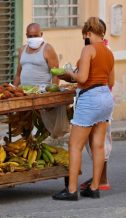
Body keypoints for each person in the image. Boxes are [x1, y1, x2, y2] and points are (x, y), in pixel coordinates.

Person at [52, 17, 114, 201]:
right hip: (105, 97)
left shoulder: (89, 49)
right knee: (98, 145)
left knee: (75, 145)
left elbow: (82, 78)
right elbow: (110, 82)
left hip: (90, 99)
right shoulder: (109, 52)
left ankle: (71, 190)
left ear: (88, 33)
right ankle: (94, 187)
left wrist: (69, 73)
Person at [13, 23, 59, 87]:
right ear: (26, 35)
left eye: (36, 36)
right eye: (30, 36)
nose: (33, 38)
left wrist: (54, 93)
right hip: (24, 92)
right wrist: (13, 89)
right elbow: (18, 74)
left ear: (41, 34)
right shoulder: (22, 50)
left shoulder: (48, 49)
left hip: (42, 93)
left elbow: (55, 74)